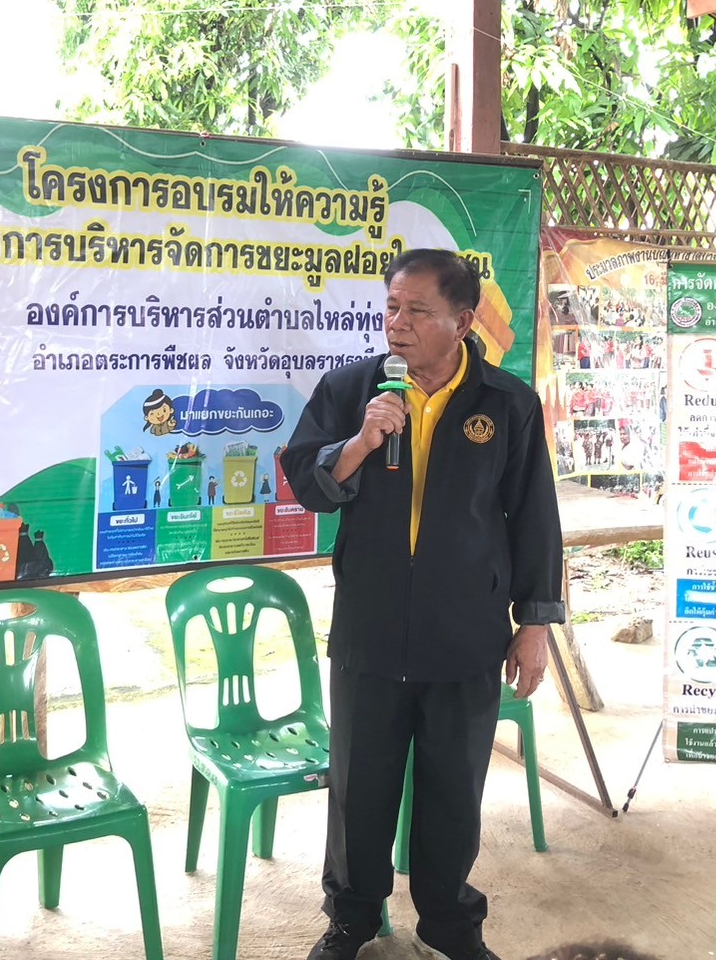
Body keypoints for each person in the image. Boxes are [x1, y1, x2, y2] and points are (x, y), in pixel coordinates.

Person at [281, 249, 564, 960]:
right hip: (371, 628)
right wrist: (360, 440)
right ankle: (351, 920)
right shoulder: (352, 388)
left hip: (464, 631)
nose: (397, 324)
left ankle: (449, 923)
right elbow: (307, 485)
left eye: (416, 311)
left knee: (452, 789)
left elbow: (534, 516)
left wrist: (534, 624)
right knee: (360, 787)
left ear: (462, 322)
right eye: (390, 308)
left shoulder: (505, 403)